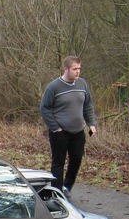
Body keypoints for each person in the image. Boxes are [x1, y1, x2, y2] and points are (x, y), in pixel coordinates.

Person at [40, 56, 97, 195]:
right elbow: (44, 108)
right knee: (58, 162)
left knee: (76, 159)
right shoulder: (54, 87)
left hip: (78, 131)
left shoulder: (82, 84)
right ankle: (57, 191)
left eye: (79, 69)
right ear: (66, 69)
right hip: (60, 132)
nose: (78, 72)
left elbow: (88, 104)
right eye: (74, 69)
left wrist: (91, 124)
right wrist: (55, 128)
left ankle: (67, 186)